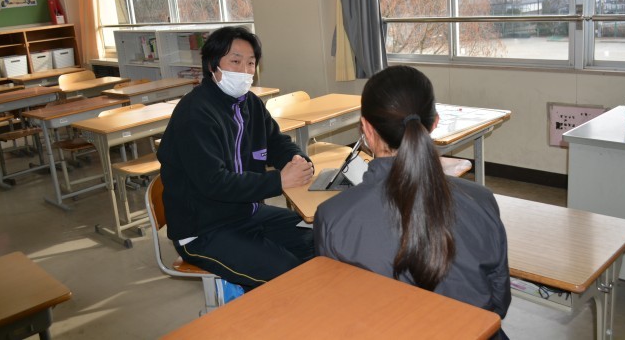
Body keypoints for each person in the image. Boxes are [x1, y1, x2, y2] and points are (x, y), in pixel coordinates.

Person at [314, 66, 511, 328]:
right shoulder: (481, 200)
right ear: (435, 123)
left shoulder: (333, 216)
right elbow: (499, 303)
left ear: (366, 129)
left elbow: (339, 309)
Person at [157, 26, 315, 291]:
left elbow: (276, 142)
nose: (244, 70)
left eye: (250, 63)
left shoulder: (249, 102)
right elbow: (215, 182)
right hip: (204, 230)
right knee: (286, 274)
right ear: (212, 65)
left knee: (321, 237)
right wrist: (279, 181)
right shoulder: (195, 114)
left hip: (247, 213)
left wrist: (298, 160)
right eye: (235, 61)